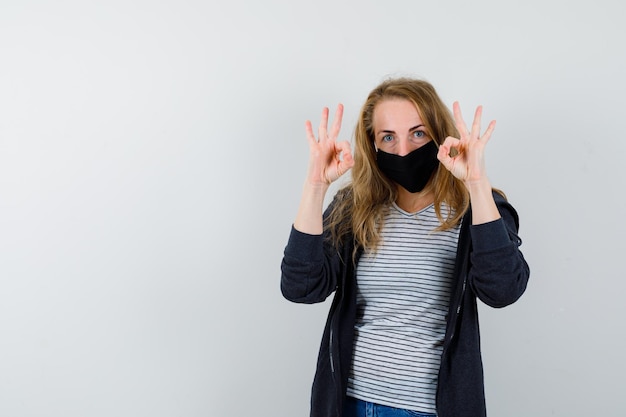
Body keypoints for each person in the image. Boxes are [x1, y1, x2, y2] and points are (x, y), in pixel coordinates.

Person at [280, 77, 530, 417]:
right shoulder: (354, 206)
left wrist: (476, 184)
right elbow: (301, 286)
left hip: (428, 409)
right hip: (348, 403)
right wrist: (314, 186)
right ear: (374, 145)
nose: (403, 150)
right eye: (388, 137)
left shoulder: (480, 207)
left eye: (418, 133)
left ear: (439, 134)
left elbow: (502, 289)